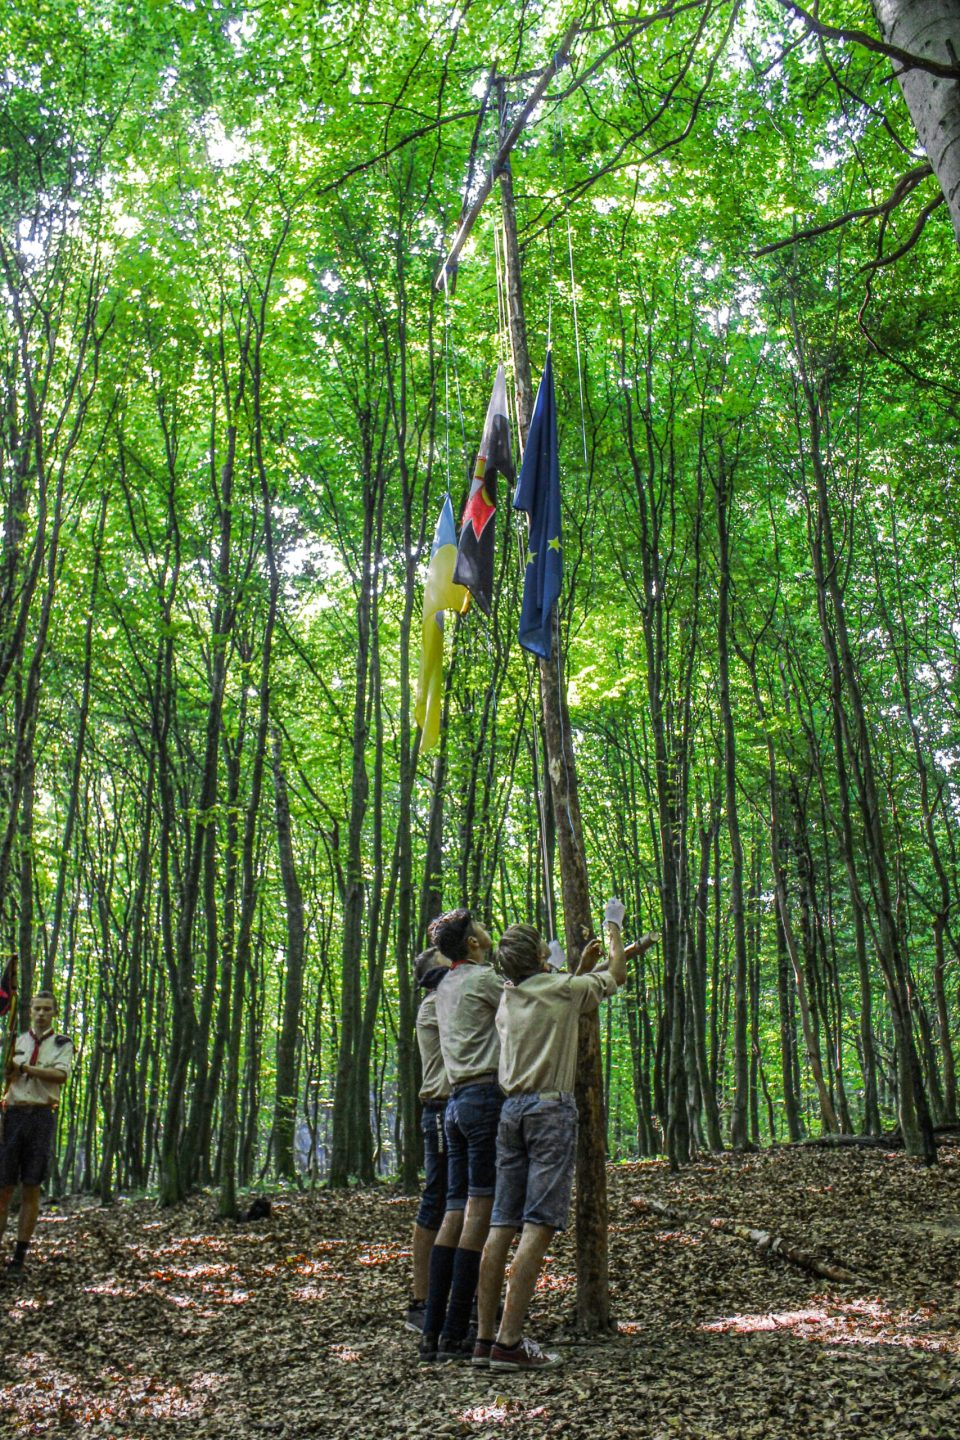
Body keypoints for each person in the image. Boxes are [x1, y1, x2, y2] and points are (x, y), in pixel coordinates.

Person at [473, 902, 657, 1371]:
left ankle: (483, 1339)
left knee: (502, 1224)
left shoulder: (510, 1000)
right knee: (539, 1223)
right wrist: (614, 924)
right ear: (538, 958)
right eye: (541, 948)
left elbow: (562, 998)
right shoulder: (559, 989)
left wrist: (575, 969)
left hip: (510, 1114)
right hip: (549, 1113)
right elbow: (614, 976)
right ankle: (510, 1343)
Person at [419, 907, 503, 1364]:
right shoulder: (482, 979)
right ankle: (455, 1330)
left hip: (453, 1105)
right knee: (479, 1210)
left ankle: (433, 1330)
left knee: (454, 1209)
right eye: (479, 928)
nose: (486, 930)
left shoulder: (444, 985)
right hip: (484, 1099)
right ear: (472, 943)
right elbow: (524, 1001)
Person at [0, 990, 74, 1277]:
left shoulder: (61, 1044)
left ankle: (19, 1257)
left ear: (54, 1012)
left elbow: (61, 1076)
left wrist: (25, 1068)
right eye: (37, 1009)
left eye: (47, 1009)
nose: (41, 1014)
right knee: (4, 1188)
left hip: (41, 1116)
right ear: (29, 1011)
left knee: (31, 1185)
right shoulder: (15, 1041)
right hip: (13, 1115)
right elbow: (7, 1075)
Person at [405, 945, 452, 1333]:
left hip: (458, 1107)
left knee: (463, 1201)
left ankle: (456, 1294)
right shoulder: (434, 1005)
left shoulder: (453, 996)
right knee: (435, 1201)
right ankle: (421, 1301)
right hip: (439, 1107)